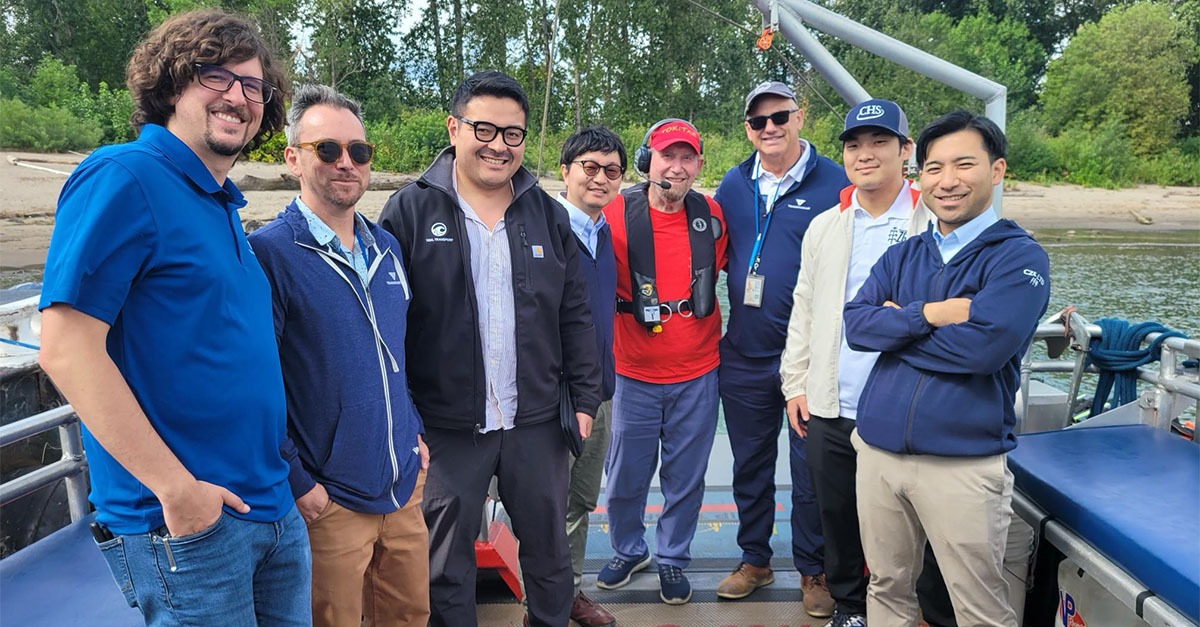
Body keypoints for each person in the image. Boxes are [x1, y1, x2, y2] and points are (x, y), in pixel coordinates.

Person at [36, 10, 310, 626]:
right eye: (217, 76)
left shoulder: (220, 204)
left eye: (255, 86)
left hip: (269, 507)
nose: (239, 96)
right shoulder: (125, 176)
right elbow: (67, 347)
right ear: (171, 84)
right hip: (188, 527)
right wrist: (178, 493)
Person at [378, 71, 601, 627]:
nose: (499, 145)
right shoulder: (409, 212)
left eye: (513, 134)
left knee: (549, 555)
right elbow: (388, 327)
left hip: (536, 421)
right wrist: (406, 417)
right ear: (453, 128)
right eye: (484, 128)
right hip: (447, 427)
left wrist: (584, 401)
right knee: (444, 564)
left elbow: (575, 313)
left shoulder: (547, 214)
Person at [842, 109, 1050, 627]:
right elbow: (857, 327)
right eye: (933, 168)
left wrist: (897, 331)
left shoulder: (1017, 259)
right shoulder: (905, 254)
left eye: (963, 165)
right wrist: (932, 315)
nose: (947, 181)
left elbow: (983, 351)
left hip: (963, 464)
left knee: (977, 604)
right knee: (887, 589)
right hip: (879, 455)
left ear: (997, 170)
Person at [247, 85, 430, 627]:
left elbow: (396, 354)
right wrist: (299, 482)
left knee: (409, 615)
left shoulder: (387, 249)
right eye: (327, 150)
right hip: (331, 500)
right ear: (294, 159)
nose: (346, 163)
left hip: (402, 486)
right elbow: (258, 382)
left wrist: (414, 432)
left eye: (359, 151)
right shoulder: (269, 254)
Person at [780, 98, 945, 627]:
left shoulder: (934, 220)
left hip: (906, 403)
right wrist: (795, 384)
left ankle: (922, 611)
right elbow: (804, 308)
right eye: (854, 144)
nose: (865, 154)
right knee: (837, 517)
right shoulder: (827, 226)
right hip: (833, 399)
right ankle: (851, 607)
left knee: (916, 518)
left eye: (879, 142)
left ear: (906, 152)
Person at [711, 80, 847, 617]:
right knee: (750, 465)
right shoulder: (733, 182)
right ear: (748, 128)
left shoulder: (835, 181)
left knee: (813, 470)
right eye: (759, 121)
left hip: (809, 360)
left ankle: (814, 571)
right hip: (743, 352)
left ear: (799, 116)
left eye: (780, 117)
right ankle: (755, 559)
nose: (770, 128)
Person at [596, 118, 728, 605]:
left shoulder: (711, 214)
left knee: (686, 475)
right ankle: (629, 549)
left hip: (698, 370)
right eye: (667, 156)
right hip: (632, 371)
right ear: (648, 160)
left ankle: (673, 557)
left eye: (687, 157)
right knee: (626, 472)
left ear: (697, 165)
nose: (677, 167)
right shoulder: (611, 213)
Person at [554, 126, 625, 627]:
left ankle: (567, 591)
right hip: (552, 396)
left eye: (612, 171)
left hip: (598, 391)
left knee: (580, 498)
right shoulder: (542, 229)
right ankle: (542, 598)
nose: (601, 179)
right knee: (543, 500)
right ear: (566, 171)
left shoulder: (602, 232)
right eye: (590, 167)